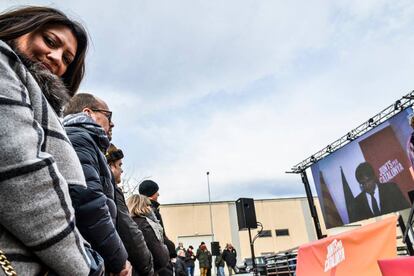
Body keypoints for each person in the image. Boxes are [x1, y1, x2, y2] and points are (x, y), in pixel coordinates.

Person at [0, 6, 94, 275]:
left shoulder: (40, 102)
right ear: (20, 26)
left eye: (67, 58)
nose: (56, 59)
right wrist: (84, 265)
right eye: (50, 42)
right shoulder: (3, 61)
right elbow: (24, 178)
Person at [63, 93, 132, 275]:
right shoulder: (79, 137)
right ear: (88, 113)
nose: (112, 123)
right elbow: (89, 204)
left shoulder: (88, 143)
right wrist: (119, 260)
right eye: (108, 116)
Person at [106, 144, 154, 276]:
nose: (122, 170)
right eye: (120, 165)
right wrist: (148, 267)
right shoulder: (113, 191)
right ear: (111, 165)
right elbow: (130, 233)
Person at [139, 179, 176, 276]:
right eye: (156, 192)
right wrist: (171, 247)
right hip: (159, 260)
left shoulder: (142, 210)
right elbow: (158, 237)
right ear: (151, 193)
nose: (158, 194)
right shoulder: (151, 211)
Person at [127, 194, 170, 275]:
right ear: (144, 206)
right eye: (149, 205)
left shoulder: (126, 224)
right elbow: (160, 258)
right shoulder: (145, 225)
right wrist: (165, 248)